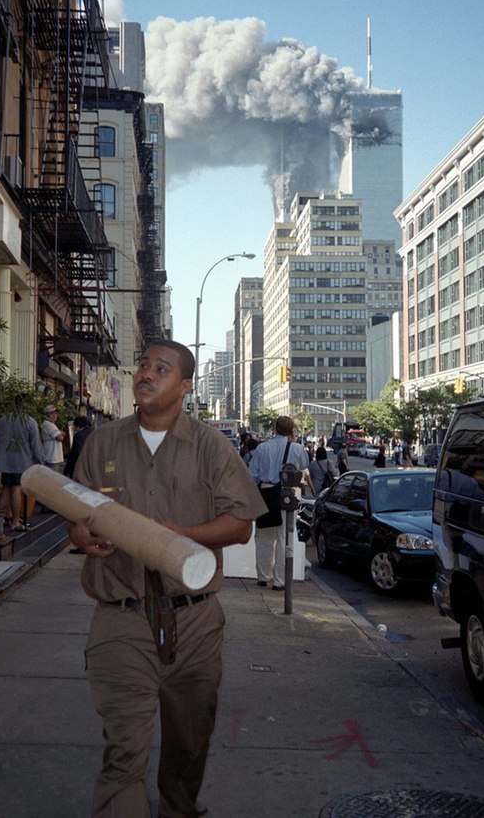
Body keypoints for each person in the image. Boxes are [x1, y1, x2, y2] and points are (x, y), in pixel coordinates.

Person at [68, 341, 266, 818]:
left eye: (161, 368)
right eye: (142, 366)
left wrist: (183, 535)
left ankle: (179, 808)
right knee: (123, 752)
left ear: (184, 386)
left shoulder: (210, 446)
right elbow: (77, 517)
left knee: (189, 743)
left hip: (194, 622)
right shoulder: (102, 443)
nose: (145, 374)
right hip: (121, 618)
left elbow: (241, 524)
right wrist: (83, 535)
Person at [248, 416, 309, 591]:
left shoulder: (262, 448)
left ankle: (262, 576)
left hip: (266, 494)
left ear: (274, 429)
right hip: (287, 495)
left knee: (264, 537)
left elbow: (252, 475)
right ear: (291, 431)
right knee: (284, 538)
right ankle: (279, 580)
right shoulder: (296, 448)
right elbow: (304, 464)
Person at [0, 393, 44, 532]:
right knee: (16, 488)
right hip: (21, 460)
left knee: (5, 488)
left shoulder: (3, 419)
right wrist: (40, 461)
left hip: (4, 460)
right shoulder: (30, 422)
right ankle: (15, 521)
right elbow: (36, 445)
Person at [41, 404, 66, 472]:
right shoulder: (47, 424)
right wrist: (61, 433)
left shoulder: (52, 424)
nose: (55, 415)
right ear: (46, 414)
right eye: (52, 413)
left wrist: (60, 432)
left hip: (54, 457)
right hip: (51, 457)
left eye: (56, 413)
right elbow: (60, 437)